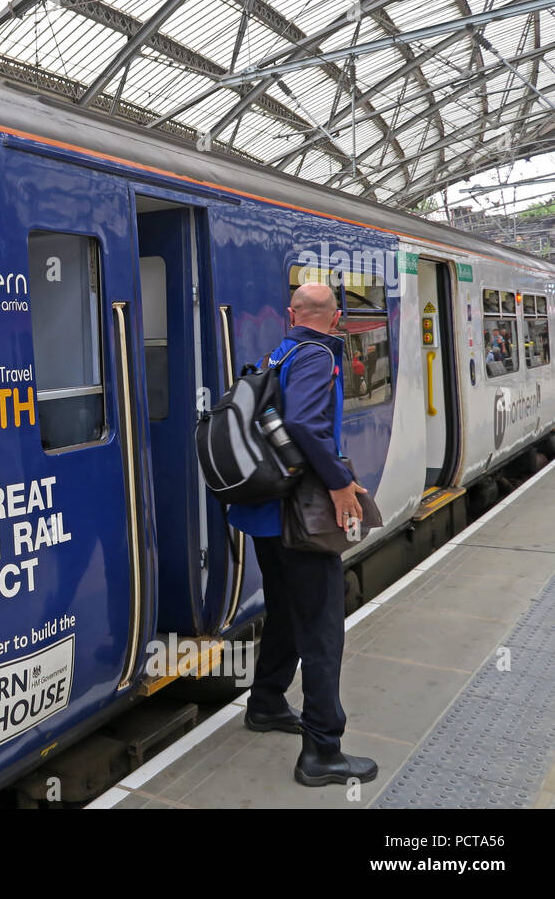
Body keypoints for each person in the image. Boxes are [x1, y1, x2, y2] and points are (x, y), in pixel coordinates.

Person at [227, 282, 378, 787]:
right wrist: (339, 484)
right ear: (336, 318)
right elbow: (307, 425)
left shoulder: (281, 351)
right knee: (321, 629)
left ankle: (266, 702)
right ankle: (322, 751)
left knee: (288, 614)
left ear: (292, 313)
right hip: (302, 520)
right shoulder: (317, 354)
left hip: (267, 516)